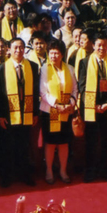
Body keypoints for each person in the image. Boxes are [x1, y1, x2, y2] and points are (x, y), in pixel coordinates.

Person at [0, 38, 39, 187]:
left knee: (24, 145)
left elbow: (35, 90)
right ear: (9, 49)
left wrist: (35, 113)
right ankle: (7, 176)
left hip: (27, 111)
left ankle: (24, 174)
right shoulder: (1, 69)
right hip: (9, 114)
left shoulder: (32, 67)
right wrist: (0, 115)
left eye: (21, 47)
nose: (18, 50)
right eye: (15, 48)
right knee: (8, 146)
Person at [78, 31, 107, 183]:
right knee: (91, 141)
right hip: (91, 108)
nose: (101, 48)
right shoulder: (84, 62)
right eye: (99, 45)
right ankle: (90, 171)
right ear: (93, 45)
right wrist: (93, 105)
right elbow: (82, 86)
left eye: (104, 45)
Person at [40, 39, 77, 184]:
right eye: (51, 53)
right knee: (50, 142)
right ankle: (49, 170)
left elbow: (75, 88)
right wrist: (57, 105)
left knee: (63, 142)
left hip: (66, 110)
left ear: (62, 55)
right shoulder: (44, 69)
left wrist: (71, 103)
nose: (53, 56)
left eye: (56, 53)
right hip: (50, 111)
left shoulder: (70, 69)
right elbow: (43, 91)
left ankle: (63, 170)